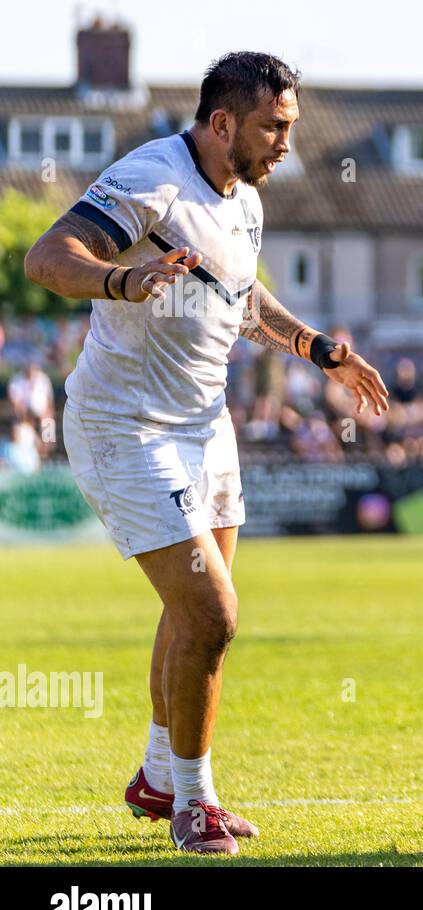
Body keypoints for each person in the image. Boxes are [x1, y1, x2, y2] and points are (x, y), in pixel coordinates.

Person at [23, 52, 390, 855]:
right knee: (212, 613)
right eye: (274, 126)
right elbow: (47, 260)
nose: (286, 142)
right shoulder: (152, 180)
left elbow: (241, 295)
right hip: (126, 425)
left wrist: (319, 347)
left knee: (194, 615)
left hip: (204, 426)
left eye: (290, 126)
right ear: (222, 123)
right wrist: (126, 279)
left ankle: (159, 776)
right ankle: (194, 802)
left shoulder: (245, 197)